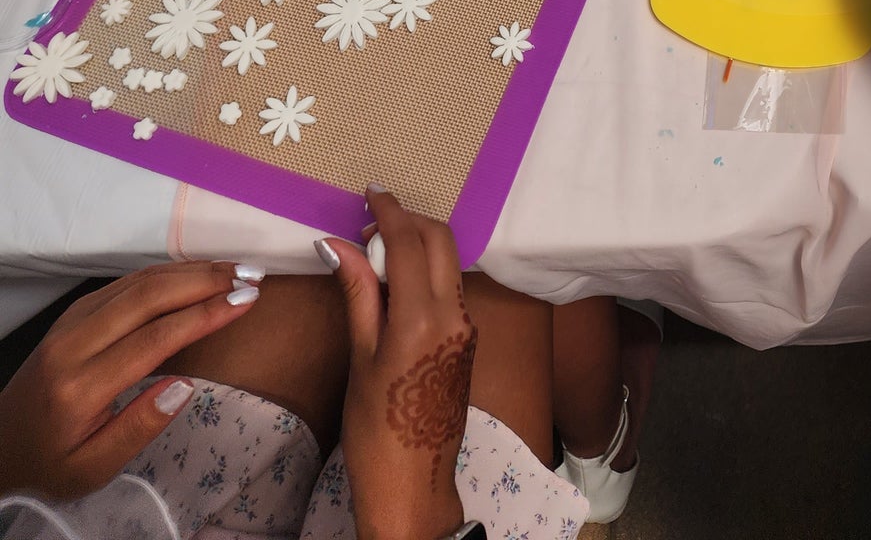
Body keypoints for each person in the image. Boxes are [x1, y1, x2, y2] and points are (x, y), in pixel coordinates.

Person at [0, 189, 656, 537]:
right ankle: (604, 452)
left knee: (303, 219)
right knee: (487, 244)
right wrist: (413, 515)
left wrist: (13, 479)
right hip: (427, 525)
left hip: (122, 521)